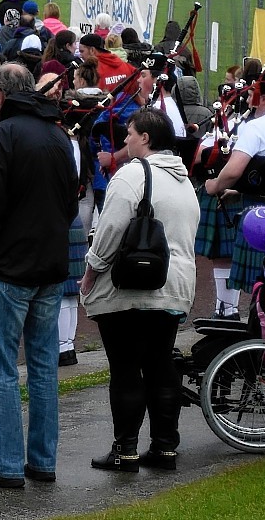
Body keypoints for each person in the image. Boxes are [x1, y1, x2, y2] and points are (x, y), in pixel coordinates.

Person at [0, 64, 77, 488]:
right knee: (44, 367)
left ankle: (6, 463)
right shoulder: (59, 134)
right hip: (50, 262)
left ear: (1, 97)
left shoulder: (2, 135)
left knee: (3, 368)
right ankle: (42, 460)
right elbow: (71, 202)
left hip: (11, 264)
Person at [79, 107, 199, 472]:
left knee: (126, 366)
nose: (125, 140)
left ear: (145, 138)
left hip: (132, 285)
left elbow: (111, 230)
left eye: (129, 134)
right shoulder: (184, 181)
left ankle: (125, 449)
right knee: (161, 363)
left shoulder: (132, 175)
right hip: (175, 283)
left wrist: (91, 271)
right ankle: (165, 447)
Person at [204, 77, 265, 317]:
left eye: (251, 96)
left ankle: (249, 324)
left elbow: (234, 170)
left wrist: (214, 185)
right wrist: (239, 192)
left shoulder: (255, 127)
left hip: (263, 210)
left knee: (262, 279)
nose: (248, 101)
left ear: (264, 99)